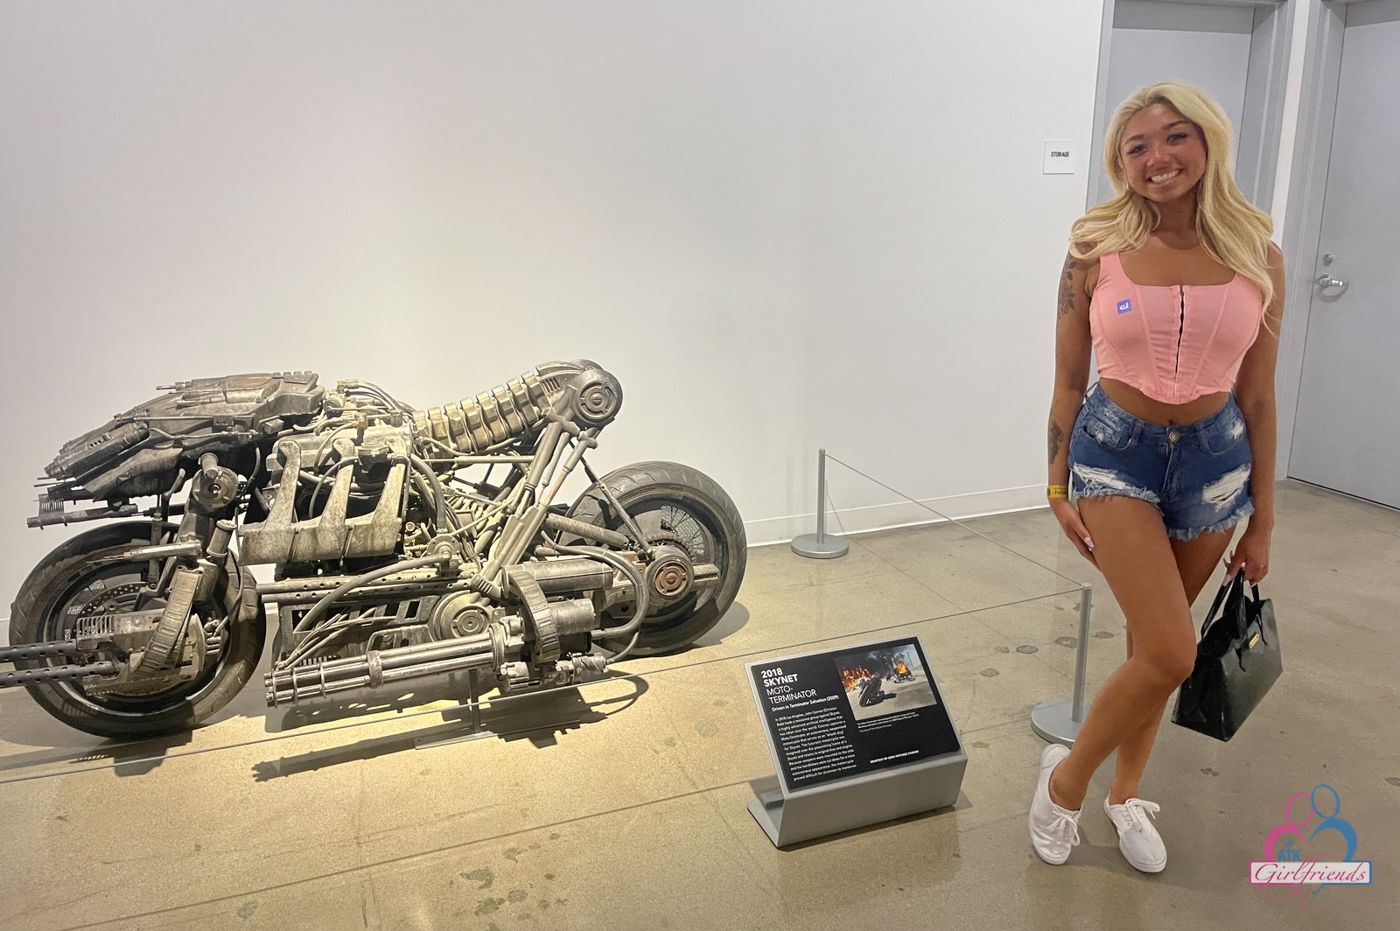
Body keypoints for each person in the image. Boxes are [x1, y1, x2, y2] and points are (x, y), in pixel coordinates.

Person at [1030, 80, 1284, 873]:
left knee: (1151, 646)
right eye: (1136, 146)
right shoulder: (1092, 249)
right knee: (1173, 650)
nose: (1157, 157)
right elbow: (1068, 382)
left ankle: (1125, 794)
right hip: (1116, 453)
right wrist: (1056, 484)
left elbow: (1259, 396)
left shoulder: (1258, 254)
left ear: (1208, 142)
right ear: (1121, 163)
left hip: (1215, 466)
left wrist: (1264, 518)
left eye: (1175, 136)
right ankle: (1065, 784)